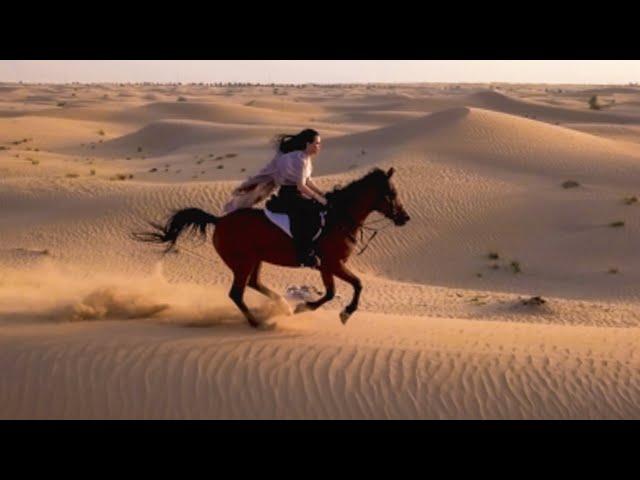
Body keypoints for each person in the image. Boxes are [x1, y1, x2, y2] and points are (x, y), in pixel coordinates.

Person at [223, 128, 327, 268]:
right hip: (290, 195)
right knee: (308, 215)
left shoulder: (305, 158)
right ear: (307, 144)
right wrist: (318, 198)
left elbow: (308, 181)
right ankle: (304, 253)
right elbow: (301, 186)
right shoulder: (298, 159)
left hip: (297, 194)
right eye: (317, 143)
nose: (319, 147)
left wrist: (322, 194)